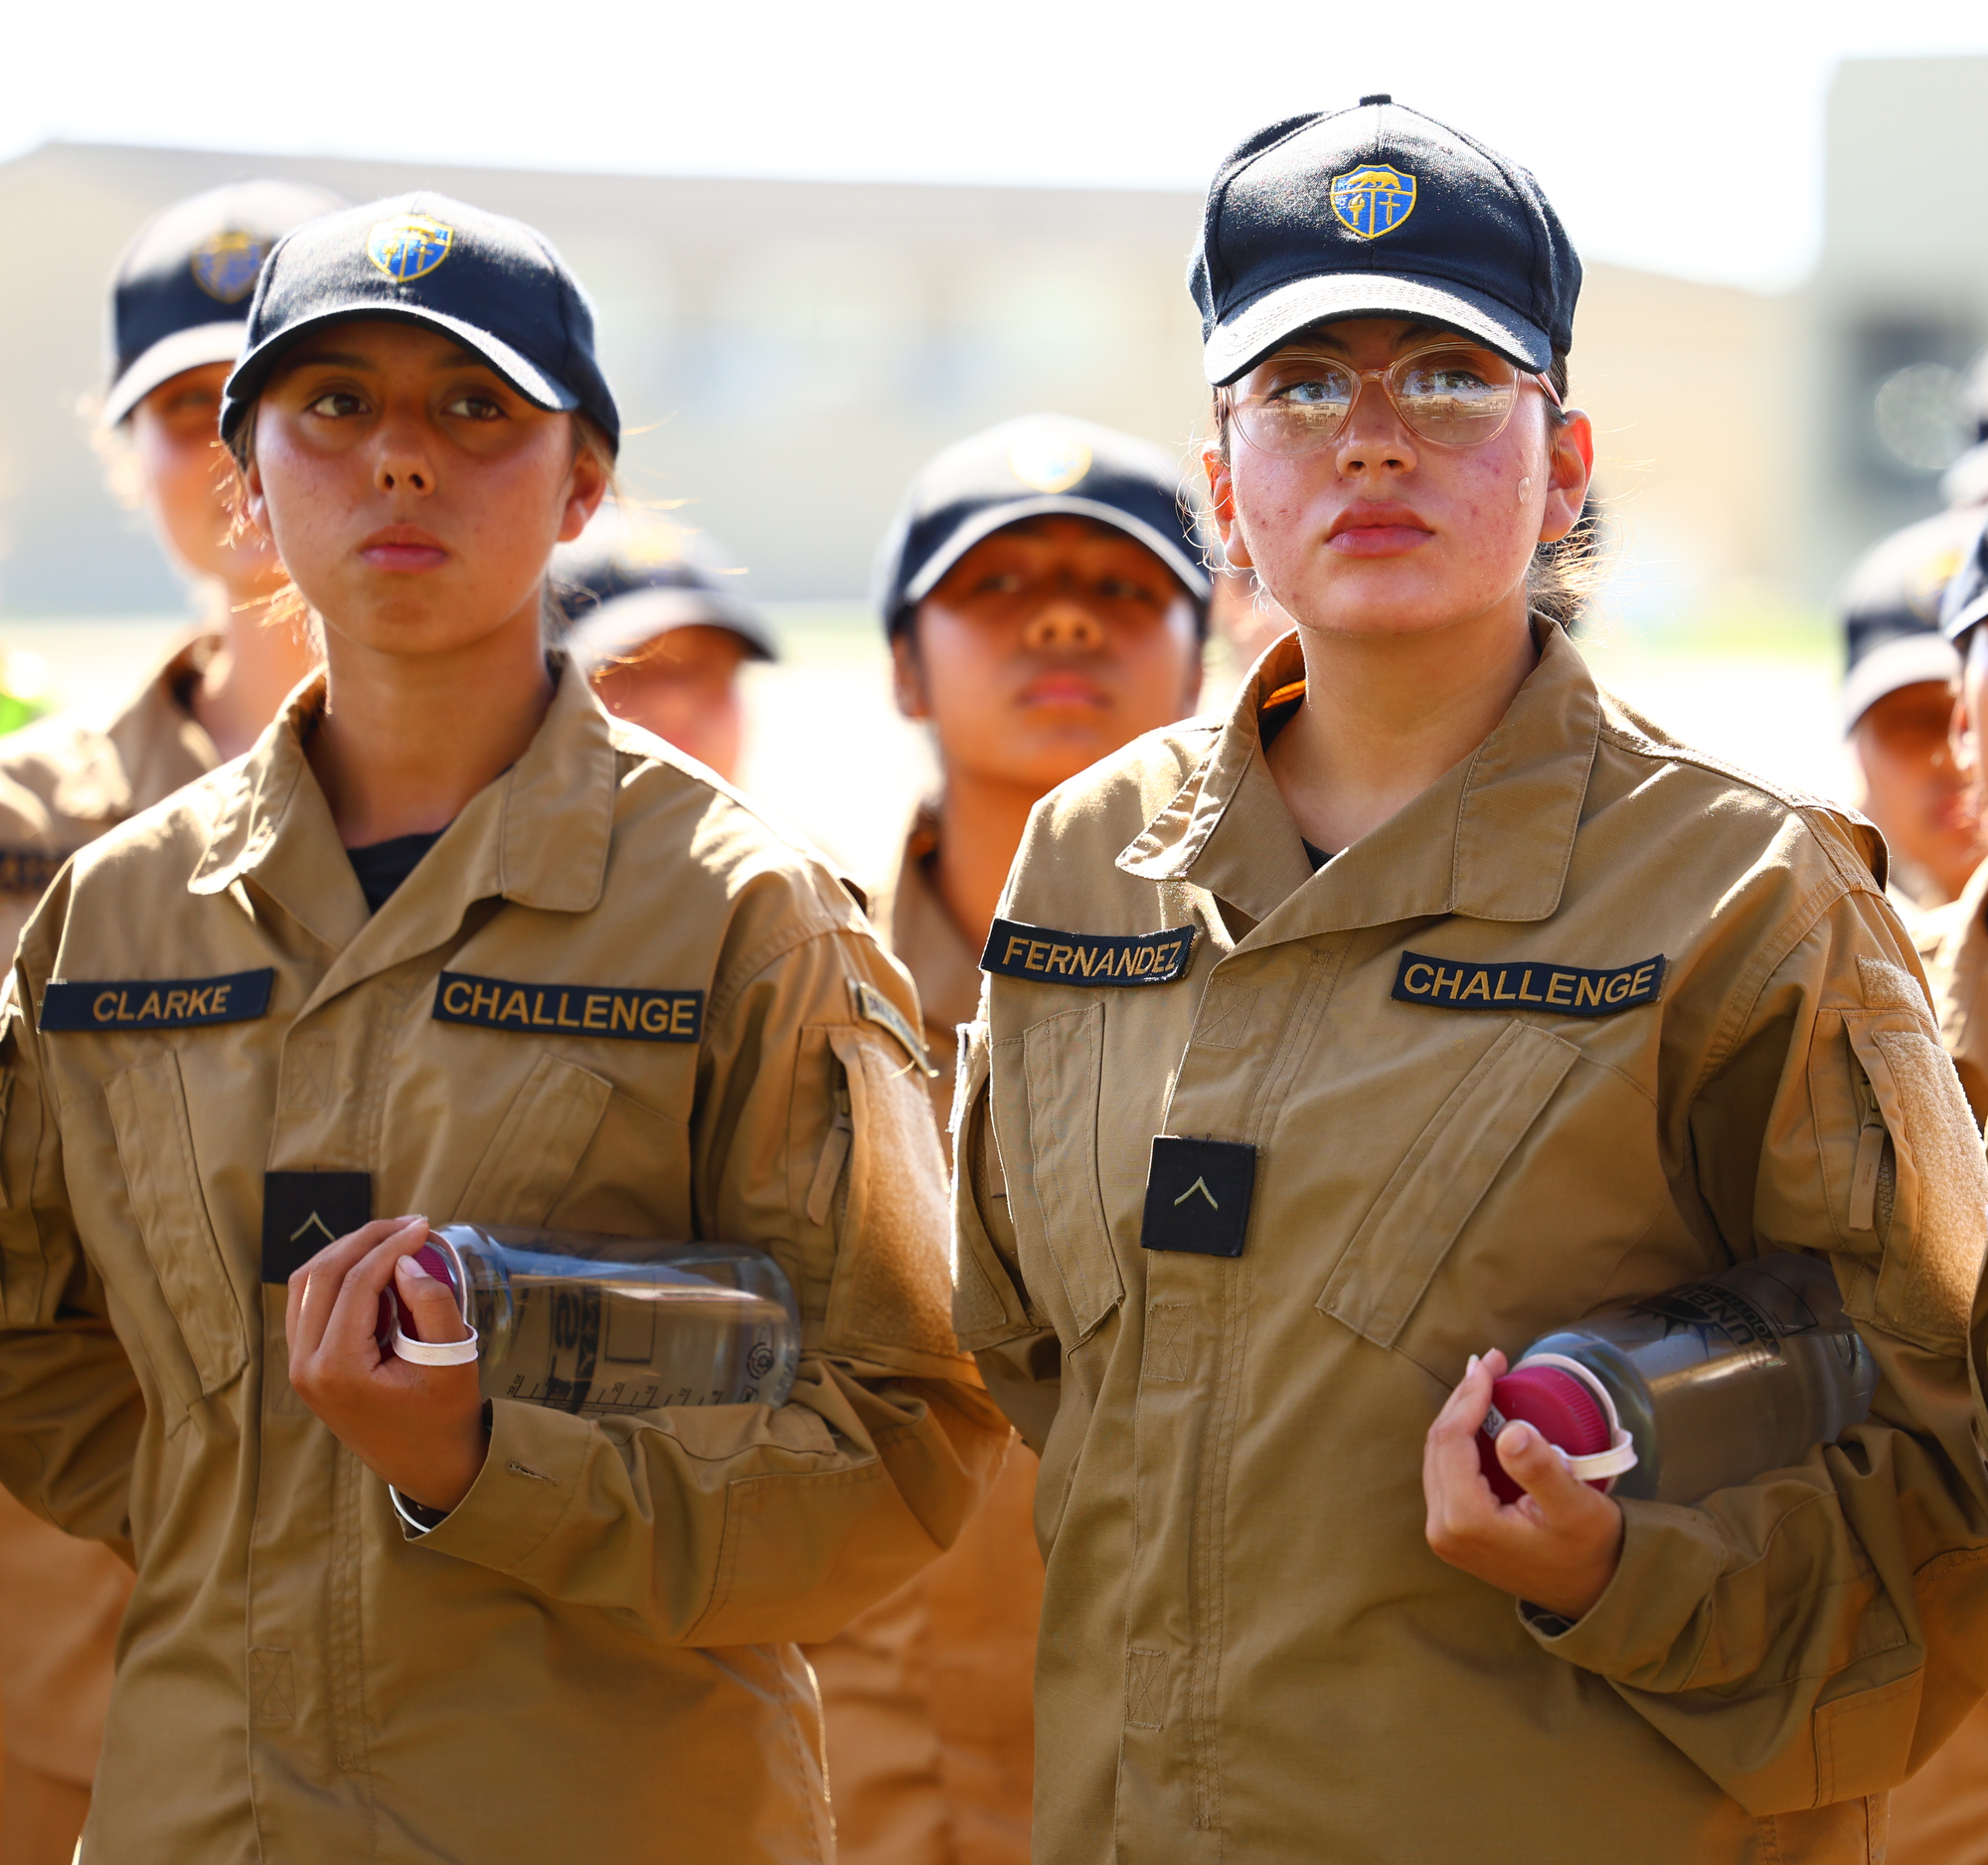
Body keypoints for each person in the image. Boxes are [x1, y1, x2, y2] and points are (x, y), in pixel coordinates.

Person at [949, 97, 1988, 1863]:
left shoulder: (1747, 895)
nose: (1370, 442)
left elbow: (1942, 1470)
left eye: (1445, 378)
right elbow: (1039, 1355)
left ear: (1565, 463)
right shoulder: (1084, 861)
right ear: (1221, 483)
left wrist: (1619, 1569)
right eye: (1301, 387)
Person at [0, 191, 1004, 1861]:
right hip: (206, 1816)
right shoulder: (114, 916)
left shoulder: (743, 913)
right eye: (334, 407)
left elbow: (901, 1432)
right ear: (247, 483)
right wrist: (255, 1489)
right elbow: (27, 1338)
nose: (402, 461)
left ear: (583, 486)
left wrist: (482, 1475)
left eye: (475, 408)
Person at [804, 414, 1209, 1865]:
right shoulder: (788, 971)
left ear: (1204, 658)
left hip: (1178, 1775)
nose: (1058, 617)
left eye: (1122, 589)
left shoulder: (1295, 989)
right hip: (862, 1778)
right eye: (995, 585)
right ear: (905, 665)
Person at [0, 177, 334, 1865]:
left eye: (290, 397)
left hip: (484, 1666)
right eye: (187, 409)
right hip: (76, 1667)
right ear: (113, 444)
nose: (236, 456)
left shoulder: (614, 833)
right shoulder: (19, 830)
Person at [555, 503, 778, 782]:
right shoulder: (497, 824)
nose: (673, 705)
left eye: (704, 671)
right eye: (625, 670)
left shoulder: (781, 826)